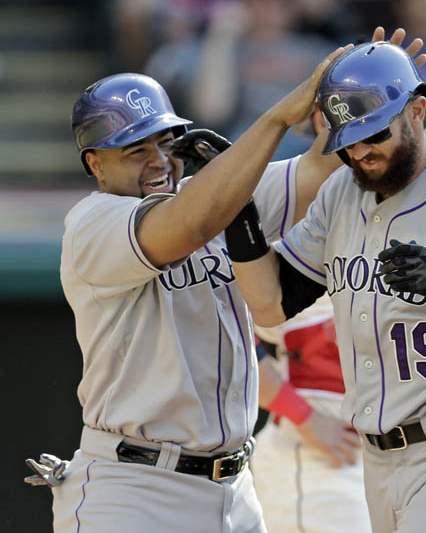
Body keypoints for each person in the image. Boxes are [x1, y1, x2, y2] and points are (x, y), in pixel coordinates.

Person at [22, 44, 348, 532]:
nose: (158, 161)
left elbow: (319, 173)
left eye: (166, 143)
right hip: (135, 491)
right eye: (136, 150)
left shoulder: (211, 198)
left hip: (234, 490)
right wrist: (277, 118)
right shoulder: (92, 224)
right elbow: (190, 223)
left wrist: (360, 98)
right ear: (96, 164)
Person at [227, 41, 426, 533]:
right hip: (377, 460)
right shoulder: (342, 191)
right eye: (348, 140)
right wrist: (238, 219)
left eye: (374, 133)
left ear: (418, 111)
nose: (360, 151)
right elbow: (270, 305)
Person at [250, 295, 371, 533]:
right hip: (319, 465)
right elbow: (218, 329)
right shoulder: (290, 263)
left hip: (385, 465)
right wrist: (303, 415)